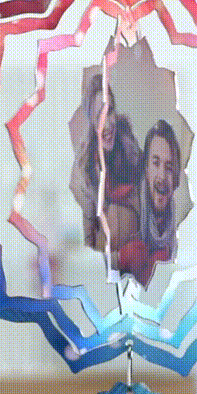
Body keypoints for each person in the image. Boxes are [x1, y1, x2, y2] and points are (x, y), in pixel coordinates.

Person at [70, 74, 142, 260]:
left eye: (109, 112)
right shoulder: (85, 172)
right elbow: (88, 240)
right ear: (92, 123)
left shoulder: (133, 155)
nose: (108, 124)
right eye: (99, 116)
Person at [119, 119, 181, 287]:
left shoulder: (183, 235)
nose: (162, 176)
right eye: (156, 163)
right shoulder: (125, 221)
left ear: (176, 177)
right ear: (146, 169)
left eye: (169, 167)